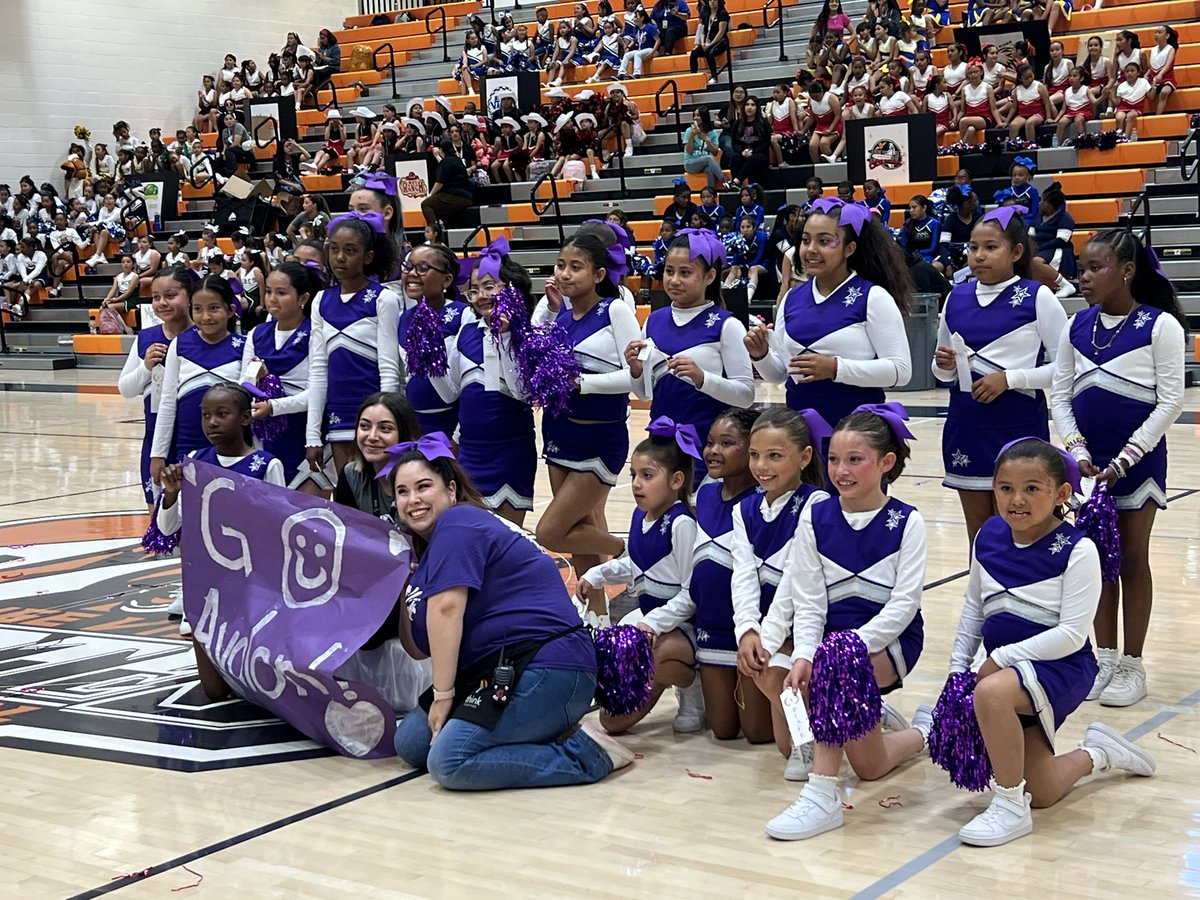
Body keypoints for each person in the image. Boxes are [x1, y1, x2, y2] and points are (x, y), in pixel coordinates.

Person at [942, 438, 1156, 848]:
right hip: (1009, 672)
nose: (1016, 500)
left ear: (1061, 494)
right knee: (1041, 790)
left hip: (1061, 667)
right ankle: (1099, 753)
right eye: (1005, 488)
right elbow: (973, 609)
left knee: (991, 694)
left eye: (1032, 489)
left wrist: (997, 660)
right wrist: (957, 669)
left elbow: (1072, 635)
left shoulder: (1078, 550)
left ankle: (1008, 807)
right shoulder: (988, 536)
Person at [390, 437, 635, 789]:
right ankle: (542, 730)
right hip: (498, 668)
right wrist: (404, 582)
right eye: (402, 492)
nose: (413, 500)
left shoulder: (459, 523)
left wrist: (444, 697)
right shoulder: (432, 551)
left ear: (452, 490)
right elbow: (419, 646)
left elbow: (446, 611)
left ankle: (587, 755)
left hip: (548, 667)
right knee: (412, 743)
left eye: (423, 487)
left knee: (449, 761)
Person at [762, 405, 930, 840]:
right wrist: (803, 654)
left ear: (886, 463)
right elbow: (810, 602)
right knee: (870, 767)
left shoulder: (907, 521)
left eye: (855, 459)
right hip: (828, 644)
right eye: (834, 459)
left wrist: (845, 648)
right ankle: (924, 729)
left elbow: (903, 607)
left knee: (833, 668)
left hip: (889, 641)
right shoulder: (815, 516)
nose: (841, 470)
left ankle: (822, 795)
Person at [1050, 229, 1186, 707]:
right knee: (1094, 558)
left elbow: (1171, 401)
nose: (1083, 277)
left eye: (1095, 268)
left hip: (1139, 462)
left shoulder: (1159, 326)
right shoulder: (1075, 325)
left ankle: (1133, 663)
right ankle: (1103, 658)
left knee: (1130, 557)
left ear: (1126, 271)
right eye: (1082, 268)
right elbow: (1059, 394)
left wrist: (1127, 457)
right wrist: (1076, 452)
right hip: (1087, 466)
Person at [932, 208, 1067, 551]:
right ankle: (981, 601)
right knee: (978, 535)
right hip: (966, 426)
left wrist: (1010, 379)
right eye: (973, 247)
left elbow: (1066, 368)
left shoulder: (1038, 297)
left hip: (1018, 427)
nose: (978, 256)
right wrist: (944, 365)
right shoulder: (956, 297)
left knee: (1023, 531)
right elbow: (941, 369)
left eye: (991, 247)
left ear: (1017, 252)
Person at [745, 199, 913, 447]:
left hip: (859, 433)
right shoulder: (791, 298)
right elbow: (781, 374)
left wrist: (835, 368)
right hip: (801, 436)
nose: (811, 249)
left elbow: (901, 372)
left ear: (849, 248)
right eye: (805, 240)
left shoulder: (873, 297)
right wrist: (761, 355)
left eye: (824, 241)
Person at [534, 233, 639, 616]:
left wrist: (584, 383)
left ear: (598, 275)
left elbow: (637, 379)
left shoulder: (614, 311)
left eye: (575, 267)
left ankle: (630, 551)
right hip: (560, 432)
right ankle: (599, 622)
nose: (564, 273)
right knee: (580, 543)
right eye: (561, 265)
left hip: (599, 435)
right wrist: (546, 310)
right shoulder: (559, 315)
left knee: (550, 531)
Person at [578, 420, 705, 733]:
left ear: (676, 480)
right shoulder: (639, 516)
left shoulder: (681, 524)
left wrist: (654, 624)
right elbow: (636, 564)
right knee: (611, 721)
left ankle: (692, 687)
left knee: (658, 652)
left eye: (647, 476)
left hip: (682, 626)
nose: (636, 484)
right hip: (646, 619)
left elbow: (692, 594)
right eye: (633, 475)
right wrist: (597, 574)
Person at [731, 408, 831, 777]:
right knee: (769, 676)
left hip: (807, 626)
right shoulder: (745, 510)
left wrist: (767, 637)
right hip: (770, 631)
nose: (761, 465)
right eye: (755, 455)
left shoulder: (816, 504)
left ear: (804, 457)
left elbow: (794, 581)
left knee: (775, 676)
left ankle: (829, 727)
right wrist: (747, 630)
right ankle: (810, 733)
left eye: (775, 455)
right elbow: (741, 575)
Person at [156, 383, 286, 636]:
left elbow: (277, 530)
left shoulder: (267, 465)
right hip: (205, 579)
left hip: (251, 580)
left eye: (222, 414)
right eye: (206, 415)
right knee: (197, 636)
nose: (212, 422)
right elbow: (167, 527)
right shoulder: (195, 461)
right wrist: (171, 492)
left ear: (246, 417)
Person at [429, 242, 539, 526]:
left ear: (510, 287)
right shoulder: (466, 332)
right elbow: (450, 394)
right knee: (471, 536)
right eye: (474, 290)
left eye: (490, 287)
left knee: (505, 541)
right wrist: (429, 362)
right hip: (471, 453)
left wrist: (502, 337)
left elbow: (522, 392)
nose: (480, 296)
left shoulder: (526, 333)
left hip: (510, 452)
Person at [627, 230, 754, 465]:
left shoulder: (727, 325)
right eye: (669, 271)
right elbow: (645, 394)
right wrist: (636, 370)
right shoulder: (654, 320)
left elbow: (746, 396)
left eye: (685, 272)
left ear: (709, 276)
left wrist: (702, 378)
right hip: (661, 444)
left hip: (709, 448)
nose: (674, 280)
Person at [305, 213, 402, 477]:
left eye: (350, 251)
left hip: (373, 414)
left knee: (383, 498)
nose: (339, 258)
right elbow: (317, 371)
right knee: (351, 502)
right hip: (338, 417)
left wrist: (387, 421)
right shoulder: (321, 300)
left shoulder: (384, 298)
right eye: (334, 249)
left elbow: (389, 367)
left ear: (367, 257)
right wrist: (312, 435)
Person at [149, 277, 245, 485]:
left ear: (229, 310)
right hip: (187, 445)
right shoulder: (180, 345)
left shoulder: (244, 346)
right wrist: (158, 454)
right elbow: (167, 402)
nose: (206, 316)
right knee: (189, 512)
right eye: (198, 309)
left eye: (214, 308)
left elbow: (248, 407)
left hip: (233, 450)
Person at [242, 261, 324, 491]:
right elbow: (244, 387)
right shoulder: (256, 334)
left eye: (281, 292)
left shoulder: (316, 333)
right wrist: (257, 382)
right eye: (268, 291)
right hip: (263, 437)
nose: (271, 299)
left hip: (305, 434)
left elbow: (318, 393)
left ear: (303, 298)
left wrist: (274, 404)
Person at [118, 268, 194, 511]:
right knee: (160, 522)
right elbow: (126, 389)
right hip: (155, 442)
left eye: (170, 295)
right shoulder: (146, 338)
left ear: (190, 295)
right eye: (156, 297)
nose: (162, 303)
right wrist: (146, 367)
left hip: (194, 441)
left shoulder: (204, 336)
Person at [397, 242, 466, 436]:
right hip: (414, 422)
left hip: (452, 422)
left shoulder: (462, 314)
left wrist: (430, 351)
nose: (412, 273)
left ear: (446, 280)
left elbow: (458, 389)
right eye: (408, 266)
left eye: (423, 268)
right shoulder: (404, 318)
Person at [333, 392, 422, 521]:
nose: (372, 437)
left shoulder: (426, 475)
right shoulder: (351, 475)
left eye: (385, 428)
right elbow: (346, 534)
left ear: (405, 434)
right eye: (364, 426)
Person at [422, 140, 474, 227]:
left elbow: (440, 182)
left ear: (441, 150)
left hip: (455, 196)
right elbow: (444, 165)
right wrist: (437, 156)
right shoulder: (457, 160)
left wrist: (430, 194)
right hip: (467, 197)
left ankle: (434, 232)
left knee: (426, 203)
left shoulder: (446, 162)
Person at [729, 96, 772, 185]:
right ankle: (736, 185)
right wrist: (742, 152)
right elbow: (734, 144)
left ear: (757, 108)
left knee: (755, 159)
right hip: (743, 153)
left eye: (752, 105)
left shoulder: (763, 122)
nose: (749, 107)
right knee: (734, 158)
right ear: (743, 107)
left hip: (760, 154)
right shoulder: (737, 123)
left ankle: (735, 182)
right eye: (747, 105)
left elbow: (766, 142)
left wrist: (753, 151)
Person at [682, 109, 726, 190]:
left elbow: (715, 152)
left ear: (704, 117)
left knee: (710, 170)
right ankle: (725, 182)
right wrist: (692, 135)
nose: (695, 118)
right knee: (708, 158)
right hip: (690, 163)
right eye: (694, 116)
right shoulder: (689, 131)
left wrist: (707, 140)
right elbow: (689, 151)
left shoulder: (712, 133)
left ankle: (711, 193)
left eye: (698, 115)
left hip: (705, 163)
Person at [691, 0, 731, 85]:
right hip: (707, 42)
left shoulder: (722, 14)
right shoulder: (706, 15)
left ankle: (714, 76)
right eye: (710, 0)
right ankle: (693, 75)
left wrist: (710, 44)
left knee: (710, 52)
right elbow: (702, 32)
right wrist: (702, 43)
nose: (712, 2)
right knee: (694, 53)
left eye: (714, 0)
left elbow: (721, 32)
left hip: (721, 41)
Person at [900, 194, 941, 264]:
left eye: (914, 207)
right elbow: (903, 244)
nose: (911, 211)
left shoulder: (934, 224)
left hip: (929, 257)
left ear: (924, 208)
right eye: (910, 208)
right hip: (910, 257)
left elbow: (933, 248)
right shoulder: (908, 223)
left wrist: (917, 253)